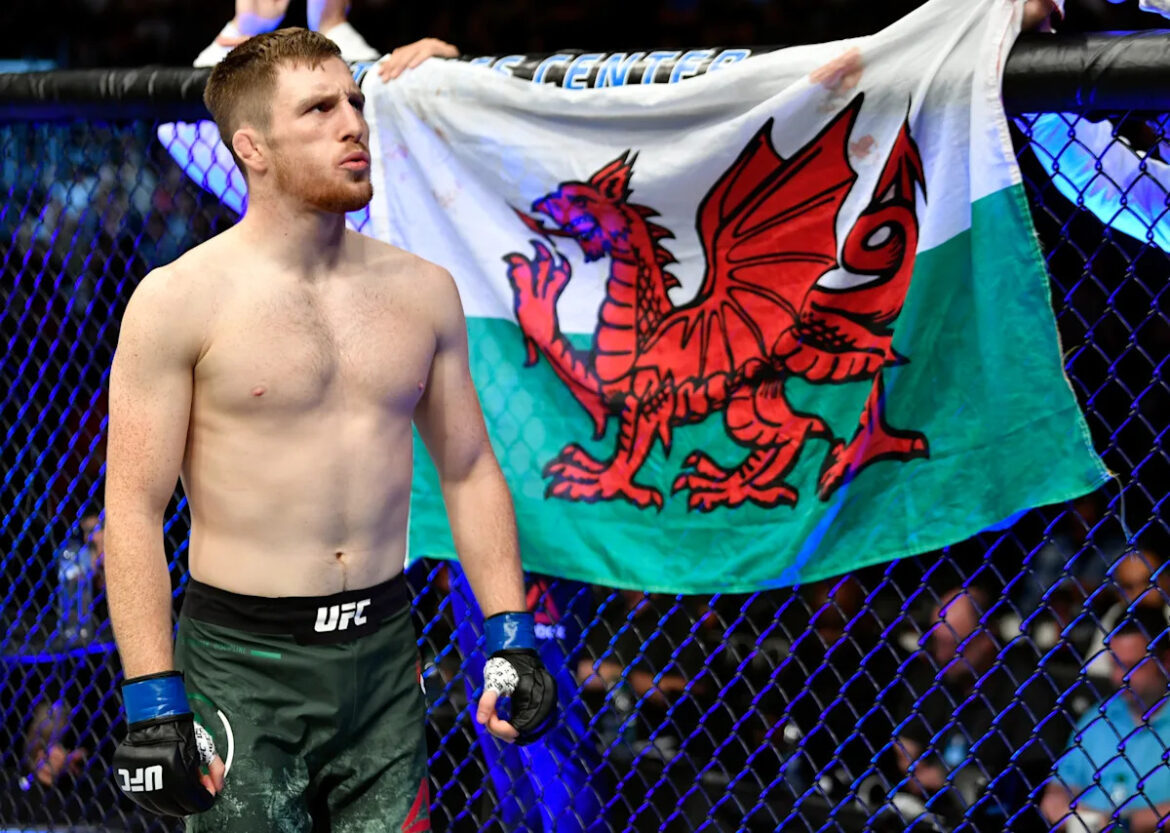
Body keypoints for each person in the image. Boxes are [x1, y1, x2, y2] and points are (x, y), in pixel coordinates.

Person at [104, 27, 555, 831]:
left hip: (382, 658)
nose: (352, 123)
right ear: (252, 148)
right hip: (241, 666)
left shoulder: (423, 292)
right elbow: (134, 507)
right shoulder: (178, 300)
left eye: (354, 101)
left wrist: (511, 633)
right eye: (318, 109)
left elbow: (468, 468)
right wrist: (152, 698)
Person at [891, 586, 1065, 830]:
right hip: (930, 814)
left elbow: (1025, 781)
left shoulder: (1029, 690)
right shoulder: (935, 674)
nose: (942, 654)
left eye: (953, 644)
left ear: (986, 637)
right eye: (936, 641)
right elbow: (906, 748)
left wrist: (945, 779)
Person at [1041, 608, 1170, 833]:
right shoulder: (1098, 717)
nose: (1121, 677)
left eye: (1132, 666)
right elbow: (1056, 793)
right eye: (1116, 664)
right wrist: (1089, 821)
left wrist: (1120, 825)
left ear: (1166, 661)